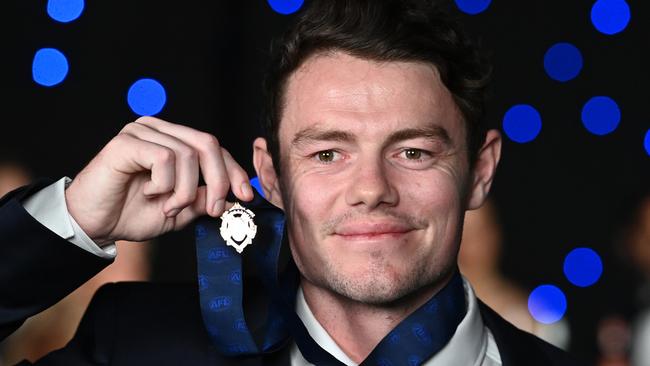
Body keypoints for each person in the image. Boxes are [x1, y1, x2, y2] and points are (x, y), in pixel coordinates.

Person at [0, 0, 584, 364]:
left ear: (480, 172)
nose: (371, 189)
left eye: (412, 150)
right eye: (328, 153)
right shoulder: (135, 345)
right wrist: (70, 219)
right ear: (271, 177)